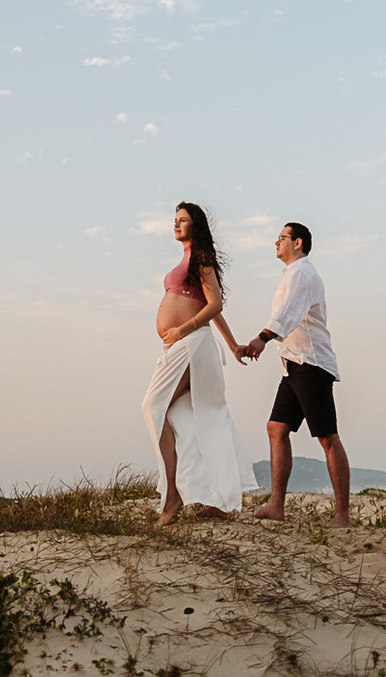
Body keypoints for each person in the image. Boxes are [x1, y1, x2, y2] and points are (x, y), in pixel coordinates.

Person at [142, 201, 256, 526]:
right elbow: (210, 306)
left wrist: (181, 329)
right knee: (186, 418)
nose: (175, 225)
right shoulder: (187, 258)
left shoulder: (201, 255)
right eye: (174, 220)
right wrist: (232, 345)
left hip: (190, 345)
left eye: (182, 220)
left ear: (197, 225)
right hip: (185, 345)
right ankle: (212, 495)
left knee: (152, 407)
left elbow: (215, 303)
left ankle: (173, 496)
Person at [244, 221, 351, 529]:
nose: (276, 242)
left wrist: (261, 339)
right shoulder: (291, 274)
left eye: (282, 238)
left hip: (312, 364)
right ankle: (276, 505)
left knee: (327, 437)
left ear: (298, 243)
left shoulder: (303, 273)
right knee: (276, 428)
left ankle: (342, 515)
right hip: (293, 364)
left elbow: (288, 314)